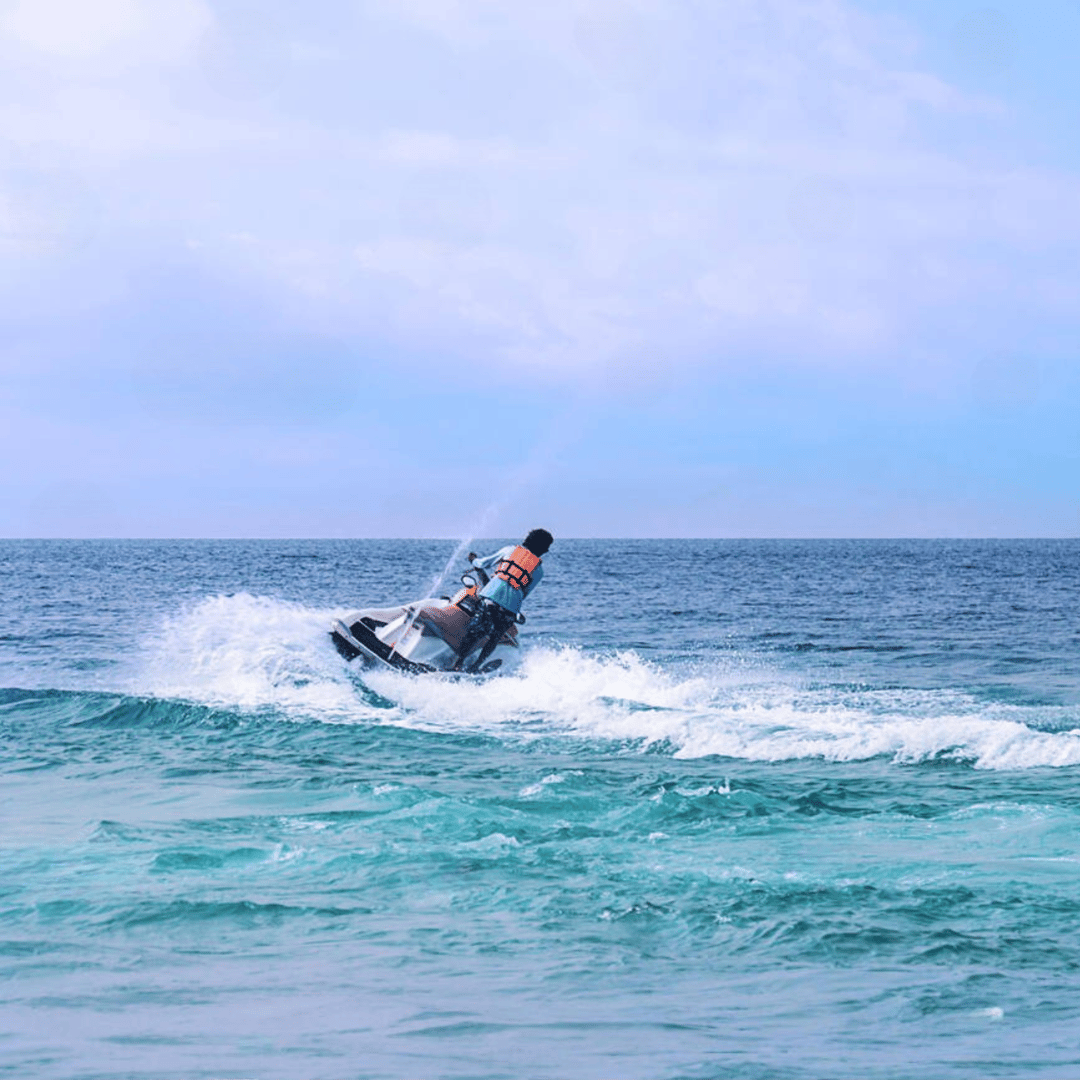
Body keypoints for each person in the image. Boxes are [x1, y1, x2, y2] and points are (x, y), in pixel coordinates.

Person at [451, 529, 553, 673]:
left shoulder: (510, 550)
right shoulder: (539, 571)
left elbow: (482, 564)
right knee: (495, 637)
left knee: (475, 632)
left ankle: (457, 664)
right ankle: (476, 666)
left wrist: (473, 559)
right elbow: (525, 593)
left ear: (527, 540)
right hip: (511, 609)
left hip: (491, 598)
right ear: (544, 550)